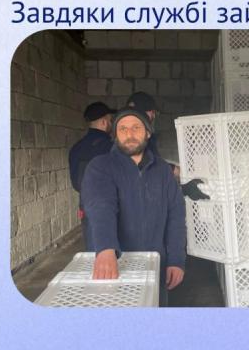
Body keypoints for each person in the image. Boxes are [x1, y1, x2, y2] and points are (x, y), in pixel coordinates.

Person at [82, 107, 186, 307]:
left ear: (148, 133)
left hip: (155, 264)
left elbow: (176, 216)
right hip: (117, 265)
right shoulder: (101, 166)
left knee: (155, 312)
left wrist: (176, 260)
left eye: (136, 127)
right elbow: (101, 207)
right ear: (115, 135)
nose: (129, 134)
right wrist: (106, 249)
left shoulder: (162, 170)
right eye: (122, 129)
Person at [126, 91, 210, 201]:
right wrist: (181, 186)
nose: (154, 116)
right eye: (153, 112)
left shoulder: (128, 135)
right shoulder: (136, 138)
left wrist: (175, 171)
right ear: (146, 112)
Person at [68, 101, 116, 251]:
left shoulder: (76, 148)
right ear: (104, 122)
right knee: (114, 251)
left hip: (86, 203)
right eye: (110, 120)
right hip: (110, 205)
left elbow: (76, 182)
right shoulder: (110, 147)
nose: (111, 124)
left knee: (94, 250)